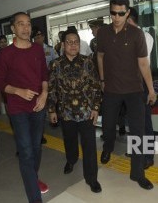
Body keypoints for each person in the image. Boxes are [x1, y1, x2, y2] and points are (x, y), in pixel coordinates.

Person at [97, 0, 156, 190]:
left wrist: (150, 89)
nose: (116, 17)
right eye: (113, 13)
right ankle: (107, 148)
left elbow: (143, 63)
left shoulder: (136, 34)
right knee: (107, 126)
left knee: (138, 133)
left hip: (134, 90)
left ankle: (137, 173)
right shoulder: (104, 33)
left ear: (127, 12)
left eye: (121, 13)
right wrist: (103, 79)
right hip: (112, 89)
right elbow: (100, 56)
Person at [0, 12, 49, 202]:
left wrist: (44, 93)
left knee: (36, 148)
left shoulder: (37, 49)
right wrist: (18, 91)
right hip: (18, 109)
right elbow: (0, 83)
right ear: (13, 29)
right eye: (21, 24)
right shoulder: (5, 54)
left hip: (38, 106)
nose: (26, 28)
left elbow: (44, 75)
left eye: (28, 24)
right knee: (26, 151)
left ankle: (33, 178)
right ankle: (34, 197)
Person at [47, 30, 102, 193]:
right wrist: (51, 110)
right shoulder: (55, 65)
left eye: (76, 42)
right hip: (66, 112)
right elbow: (51, 89)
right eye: (69, 42)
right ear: (63, 45)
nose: (73, 45)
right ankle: (71, 160)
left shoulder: (88, 62)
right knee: (69, 141)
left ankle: (92, 178)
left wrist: (96, 108)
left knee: (90, 146)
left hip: (86, 112)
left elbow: (96, 86)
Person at [126, 6, 155, 169]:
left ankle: (148, 156)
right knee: (132, 120)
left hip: (141, 82)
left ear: (129, 19)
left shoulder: (144, 36)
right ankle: (136, 150)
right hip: (128, 84)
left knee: (144, 122)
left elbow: (140, 63)